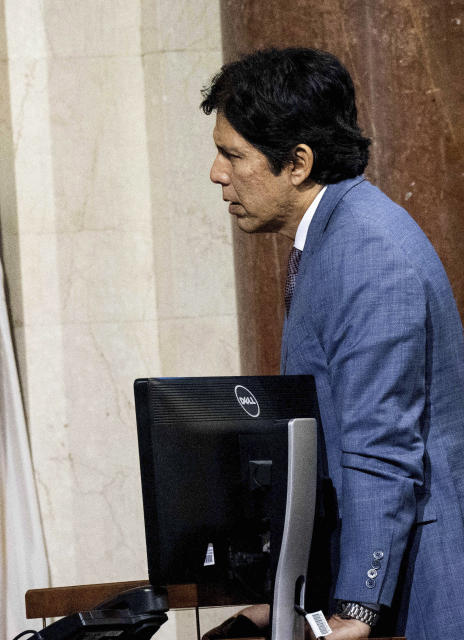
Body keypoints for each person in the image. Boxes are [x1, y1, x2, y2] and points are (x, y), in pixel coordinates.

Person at [199, 48, 464, 640]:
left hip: (426, 592)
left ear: (297, 163)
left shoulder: (367, 253)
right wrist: (291, 598)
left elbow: (380, 447)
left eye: (232, 155)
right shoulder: (336, 237)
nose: (217, 173)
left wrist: (356, 609)